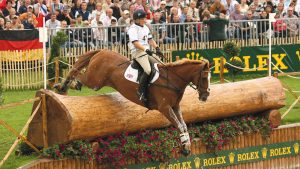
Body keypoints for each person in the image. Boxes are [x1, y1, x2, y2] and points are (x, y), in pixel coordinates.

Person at [127, 9, 164, 104]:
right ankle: (141, 92)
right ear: (137, 19)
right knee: (148, 70)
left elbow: (150, 40)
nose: (145, 19)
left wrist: (157, 48)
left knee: (161, 65)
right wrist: (146, 49)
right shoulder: (132, 29)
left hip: (146, 51)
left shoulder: (145, 27)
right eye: (143, 18)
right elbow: (135, 43)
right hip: (138, 52)